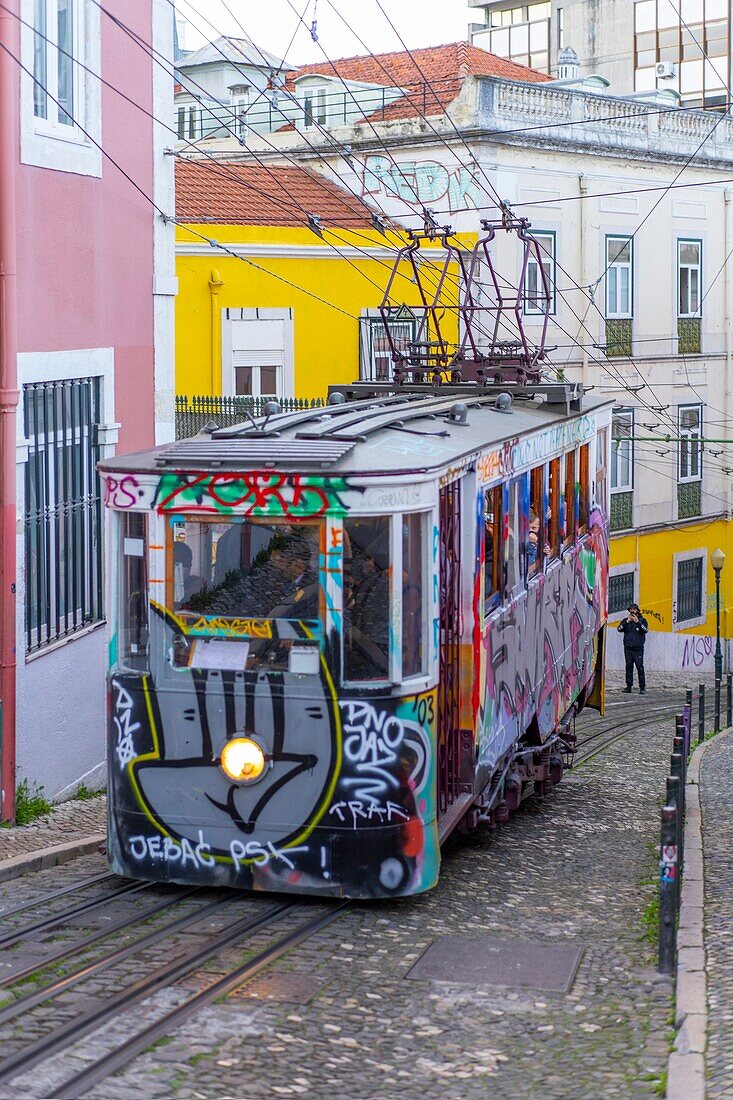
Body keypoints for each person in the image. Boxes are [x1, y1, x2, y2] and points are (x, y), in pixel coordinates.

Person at [618, 603, 649, 694]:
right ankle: (628, 686)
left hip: (638, 649)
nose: (632, 611)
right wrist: (626, 622)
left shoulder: (642, 620)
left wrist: (637, 622)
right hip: (628, 648)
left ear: (637, 611)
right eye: (631, 610)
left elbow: (645, 630)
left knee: (640, 668)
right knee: (628, 667)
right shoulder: (626, 621)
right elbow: (619, 629)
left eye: (634, 609)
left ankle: (642, 687)